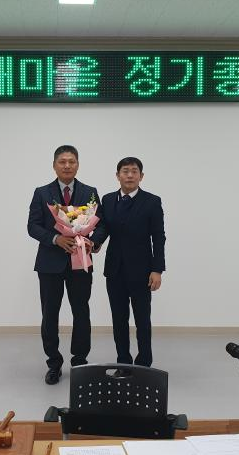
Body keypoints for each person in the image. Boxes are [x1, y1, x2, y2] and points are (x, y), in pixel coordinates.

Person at [27, 146, 99, 385]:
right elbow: (33, 226)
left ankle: (80, 362)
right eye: (62, 161)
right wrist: (56, 239)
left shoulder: (90, 192)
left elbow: (99, 224)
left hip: (81, 262)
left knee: (81, 312)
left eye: (71, 161)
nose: (67, 165)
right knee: (50, 314)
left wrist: (92, 242)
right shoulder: (42, 193)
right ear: (54, 165)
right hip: (50, 264)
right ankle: (53, 363)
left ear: (78, 164)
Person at [90, 157, 165, 368]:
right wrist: (94, 243)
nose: (130, 175)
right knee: (119, 319)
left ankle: (144, 364)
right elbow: (103, 227)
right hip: (115, 270)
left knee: (142, 320)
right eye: (125, 171)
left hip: (142, 271)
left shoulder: (152, 201)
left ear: (141, 176)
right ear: (117, 175)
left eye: (134, 171)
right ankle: (123, 362)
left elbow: (158, 237)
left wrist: (157, 269)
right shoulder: (107, 200)